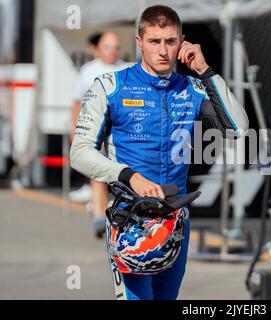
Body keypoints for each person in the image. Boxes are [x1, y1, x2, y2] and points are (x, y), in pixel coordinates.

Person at [70, 5, 248, 300]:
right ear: (139, 43)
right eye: (154, 41)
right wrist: (129, 176)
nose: (163, 50)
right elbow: (79, 152)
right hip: (131, 219)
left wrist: (205, 70)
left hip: (176, 218)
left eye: (170, 41)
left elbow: (238, 128)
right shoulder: (111, 86)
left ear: (182, 43)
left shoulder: (193, 87)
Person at [70, 31, 127, 238]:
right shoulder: (88, 71)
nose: (112, 51)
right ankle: (98, 216)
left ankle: (112, 214)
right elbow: (76, 103)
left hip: (118, 132)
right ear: (98, 49)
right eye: (107, 47)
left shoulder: (125, 68)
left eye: (116, 47)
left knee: (117, 175)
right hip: (95, 129)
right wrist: (74, 129)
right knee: (98, 174)